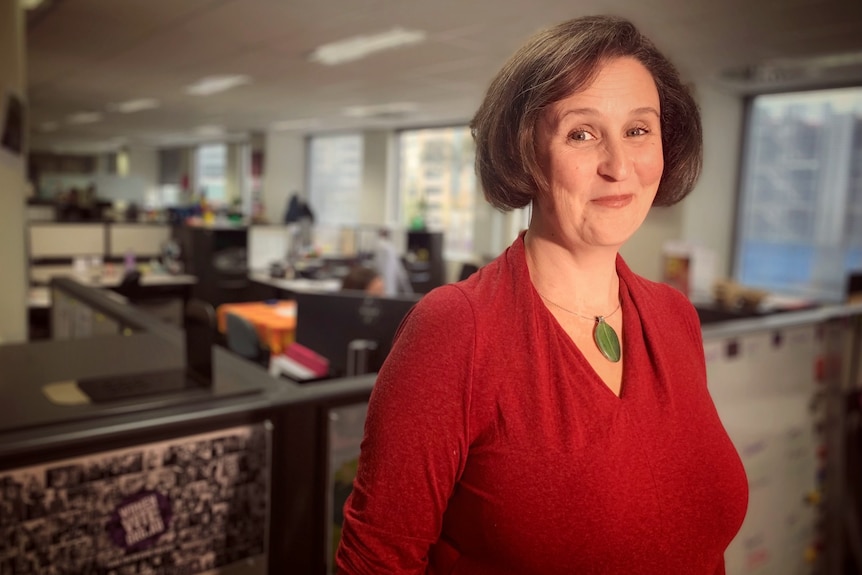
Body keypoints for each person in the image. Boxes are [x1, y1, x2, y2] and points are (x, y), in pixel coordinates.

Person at [336, 15, 748, 575]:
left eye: (638, 130)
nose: (619, 166)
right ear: (524, 149)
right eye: (582, 133)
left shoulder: (674, 316)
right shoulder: (458, 329)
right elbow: (376, 562)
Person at [373, 228, 414, 296]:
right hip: (386, 285)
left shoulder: (380, 246)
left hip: (382, 284)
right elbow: (399, 270)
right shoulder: (388, 247)